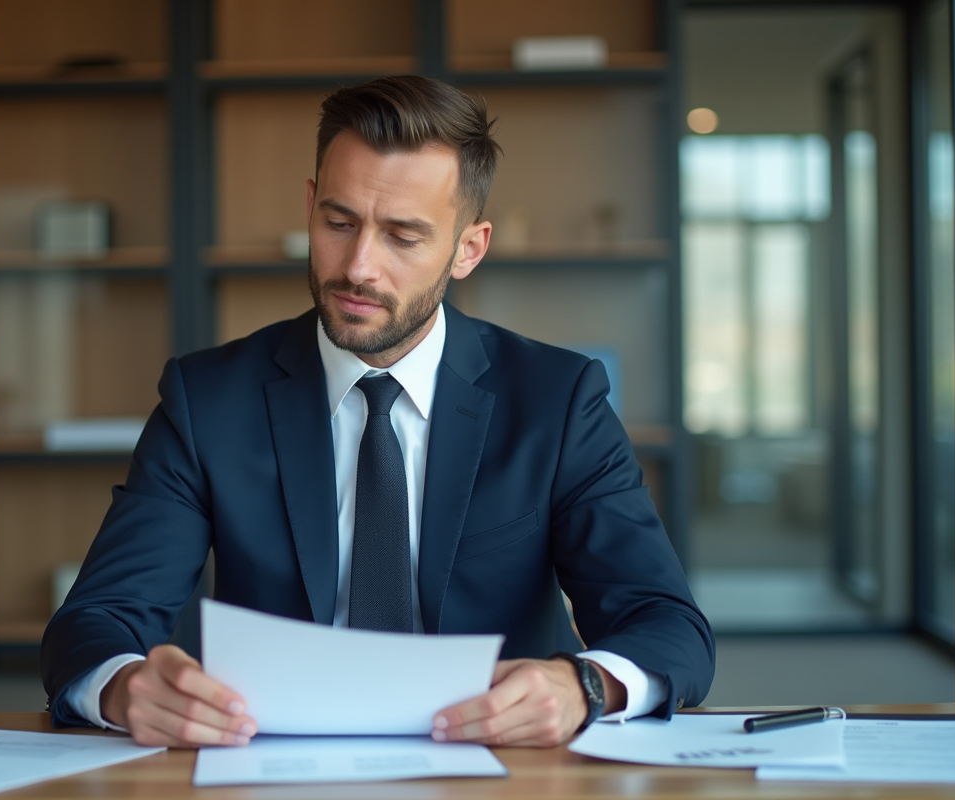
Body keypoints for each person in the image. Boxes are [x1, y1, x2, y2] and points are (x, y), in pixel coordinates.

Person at [41, 74, 714, 749]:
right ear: (309, 207)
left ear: (468, 249)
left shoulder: (558, 400)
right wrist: (124, 687)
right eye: (339, 223)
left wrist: (582, 688)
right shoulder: (207, 399)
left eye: (403, 236)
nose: (359, 267)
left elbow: (666, 623)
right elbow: (97, 618)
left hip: (502, 767)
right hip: (267, 759)